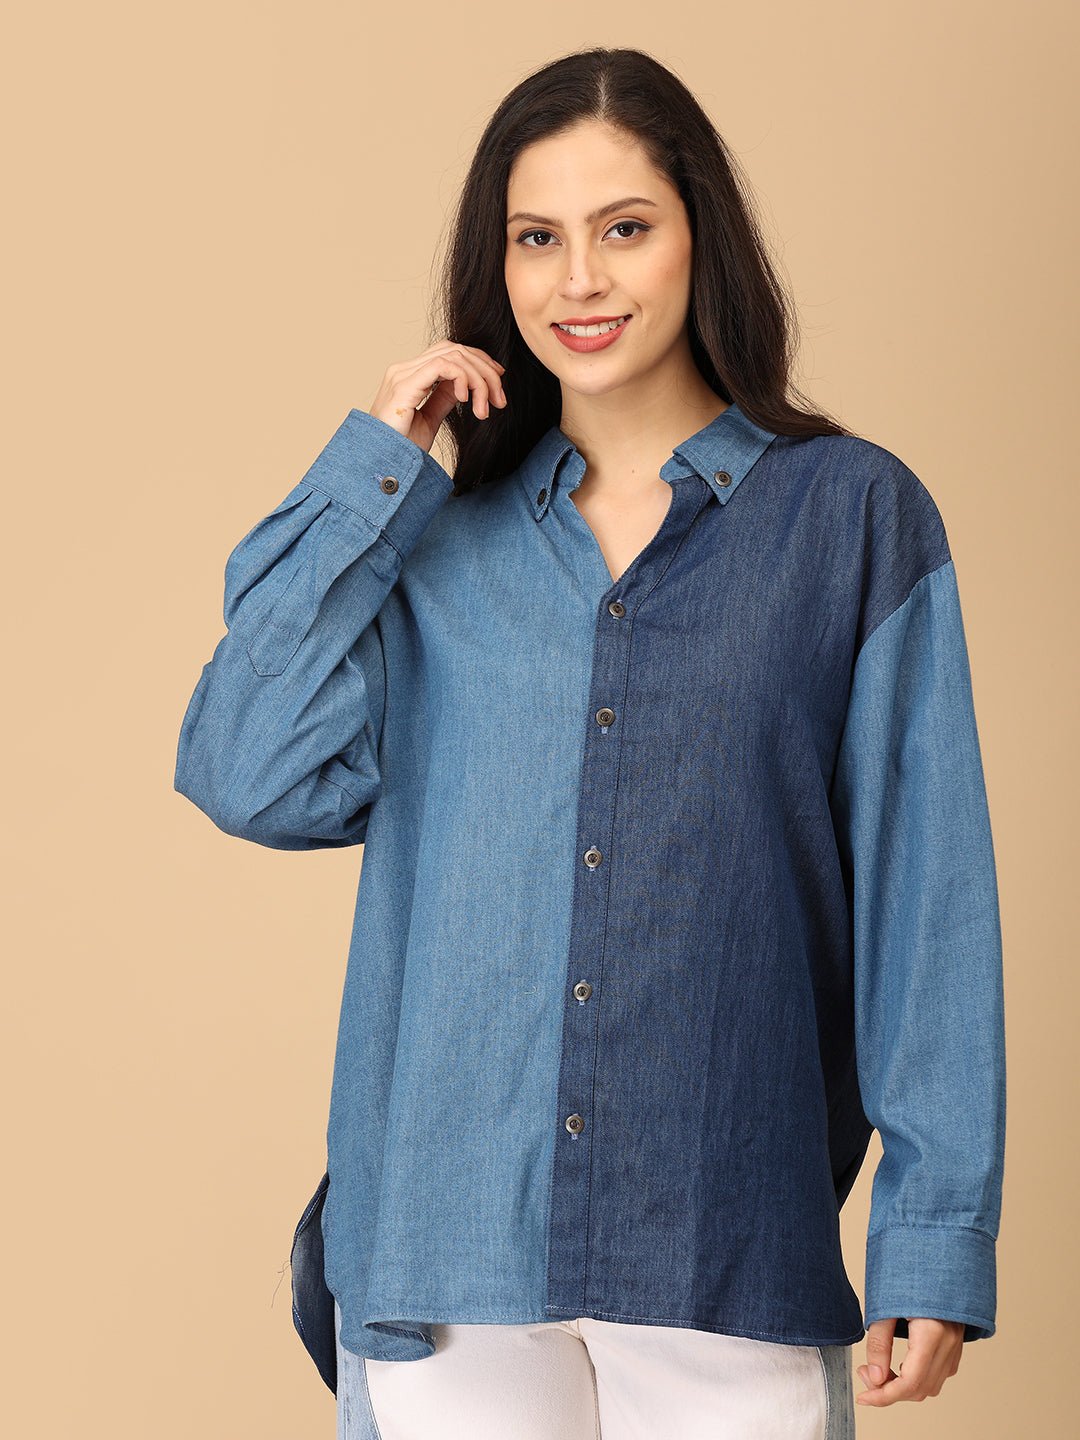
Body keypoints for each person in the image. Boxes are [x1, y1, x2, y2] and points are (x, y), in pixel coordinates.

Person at [173, 45, 1006, 1440]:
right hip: (446, 1256)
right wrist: (377, 469)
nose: (580, 280)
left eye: (624, 228)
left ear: (700, 239)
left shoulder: (851, 520)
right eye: (536, 239)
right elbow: (240, 767)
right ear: (495, 267)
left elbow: (928, 902)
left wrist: (936, 1235)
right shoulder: (430, 542)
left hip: (724, 1238)